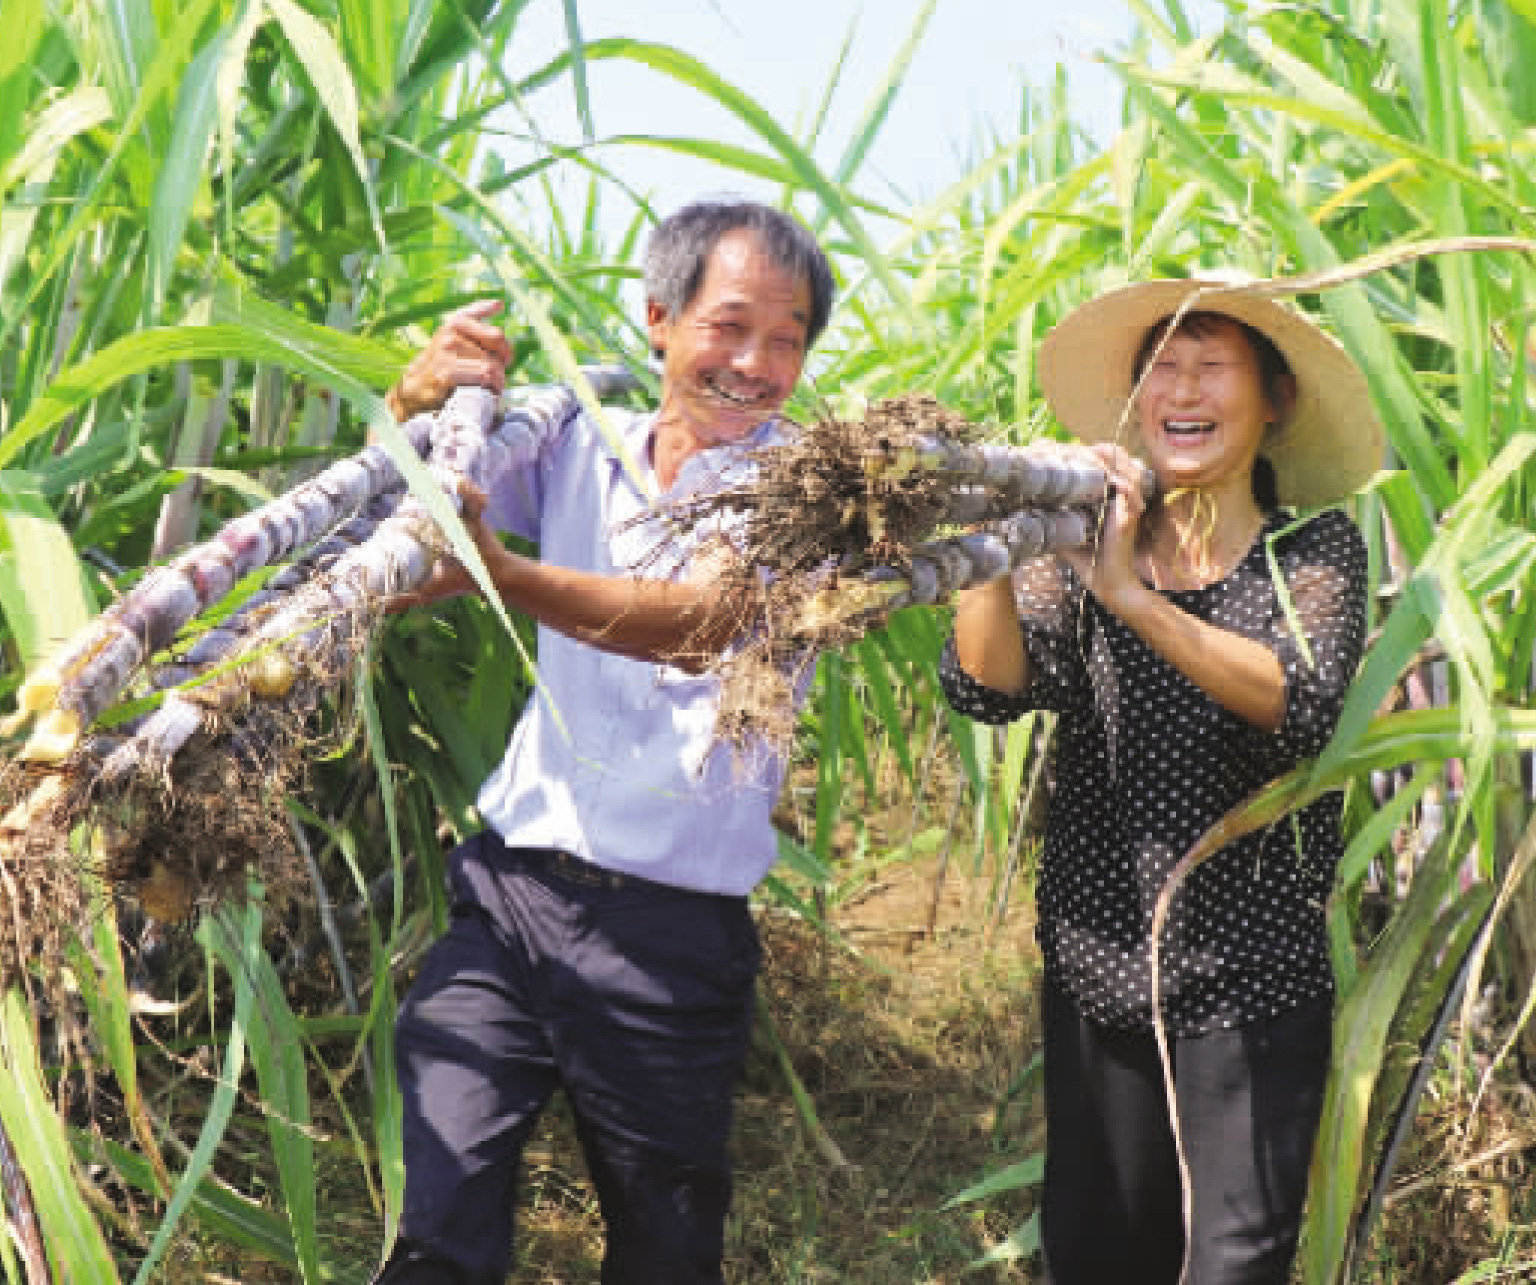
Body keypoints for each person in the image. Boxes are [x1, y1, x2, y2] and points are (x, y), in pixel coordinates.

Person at [371, 199, 836, 1285]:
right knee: (438, 1220)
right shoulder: (577, 436)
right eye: (730, 326)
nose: (757, 364)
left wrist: (506, 572)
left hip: (666, 940)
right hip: (510, 895)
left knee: (664, 1249)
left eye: (788, 338)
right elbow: (419, 511)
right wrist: (418, 398)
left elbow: (701, 621)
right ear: (659, 318)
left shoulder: (810, 492)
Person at [940, 277, 1383, 1284]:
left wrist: (1131, 598)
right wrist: (993, 540)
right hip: (1102, 975)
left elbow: (1298, 702)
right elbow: (990, 687)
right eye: (1161, 368)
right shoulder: (1095, 538)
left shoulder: (1310, 554)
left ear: (1273, 398)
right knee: (1098, 1257)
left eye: (1210, 363)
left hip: (1251, 987)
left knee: (1231, 1265)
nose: (1181, 387)